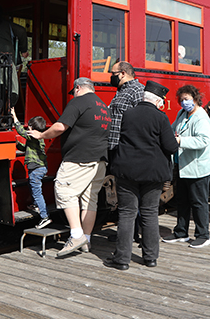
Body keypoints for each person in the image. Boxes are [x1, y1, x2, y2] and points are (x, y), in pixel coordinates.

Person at [27, 77, 111, 257]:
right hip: (100, 160)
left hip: (79, 158)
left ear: (78, 88)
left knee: (63, 190)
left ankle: (76, 235)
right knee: (90, 200)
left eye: (74, 91)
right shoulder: (104, 107)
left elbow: (59, 127)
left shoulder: (79, 102)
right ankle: (86, 240)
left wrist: (41, 135)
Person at [105, 81, 177, 270]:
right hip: (153, 174)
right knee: (150, 212)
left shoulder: (128, 114)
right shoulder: (161, 117)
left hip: (127, 171)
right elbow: (171, 147)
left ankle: (122, 260)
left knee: (127, 213)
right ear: (159, 100)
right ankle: (150, 258)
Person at [163, 85, 210, 248]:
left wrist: (180, 141)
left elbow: (203, 141)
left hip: (198, 168)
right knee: (183, 200)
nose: (184, 102)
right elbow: (173, 130)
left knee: (199, 202)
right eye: (182, 100)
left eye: (187, 99)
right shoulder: (181, 114)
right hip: (183, 166)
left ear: (195, 99)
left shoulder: (201, 117)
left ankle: (203, 235)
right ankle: (181, 232)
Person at [10, 110, 51, 229]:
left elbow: (21, 132)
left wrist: (15, 118)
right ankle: (35, 205)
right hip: (40, 168)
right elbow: (25, 147)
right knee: (33, 186)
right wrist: (17, 143)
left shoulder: (34, 136)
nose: (28, 128)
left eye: (30, 127)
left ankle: (45, 216)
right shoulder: (35, 139)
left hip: (37, 168)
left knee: (37, 192)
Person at [107, 61, 145, 152]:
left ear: (123, 73)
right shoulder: (121, 91)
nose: (112, 76)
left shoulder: (138, 90)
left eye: (113, 73)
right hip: (113, 147)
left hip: (124, 149)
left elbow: (141, 121)